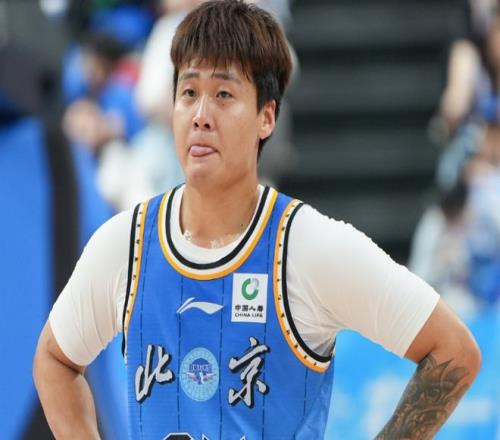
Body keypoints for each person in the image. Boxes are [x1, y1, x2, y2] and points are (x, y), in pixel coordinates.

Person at [33, 1, 481, 439]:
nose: (201, 116)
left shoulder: (308, 246)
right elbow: (54, 360)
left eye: (223, 95)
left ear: (266, 117)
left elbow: (454, 351)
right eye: (188, 93)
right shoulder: (125, 243)